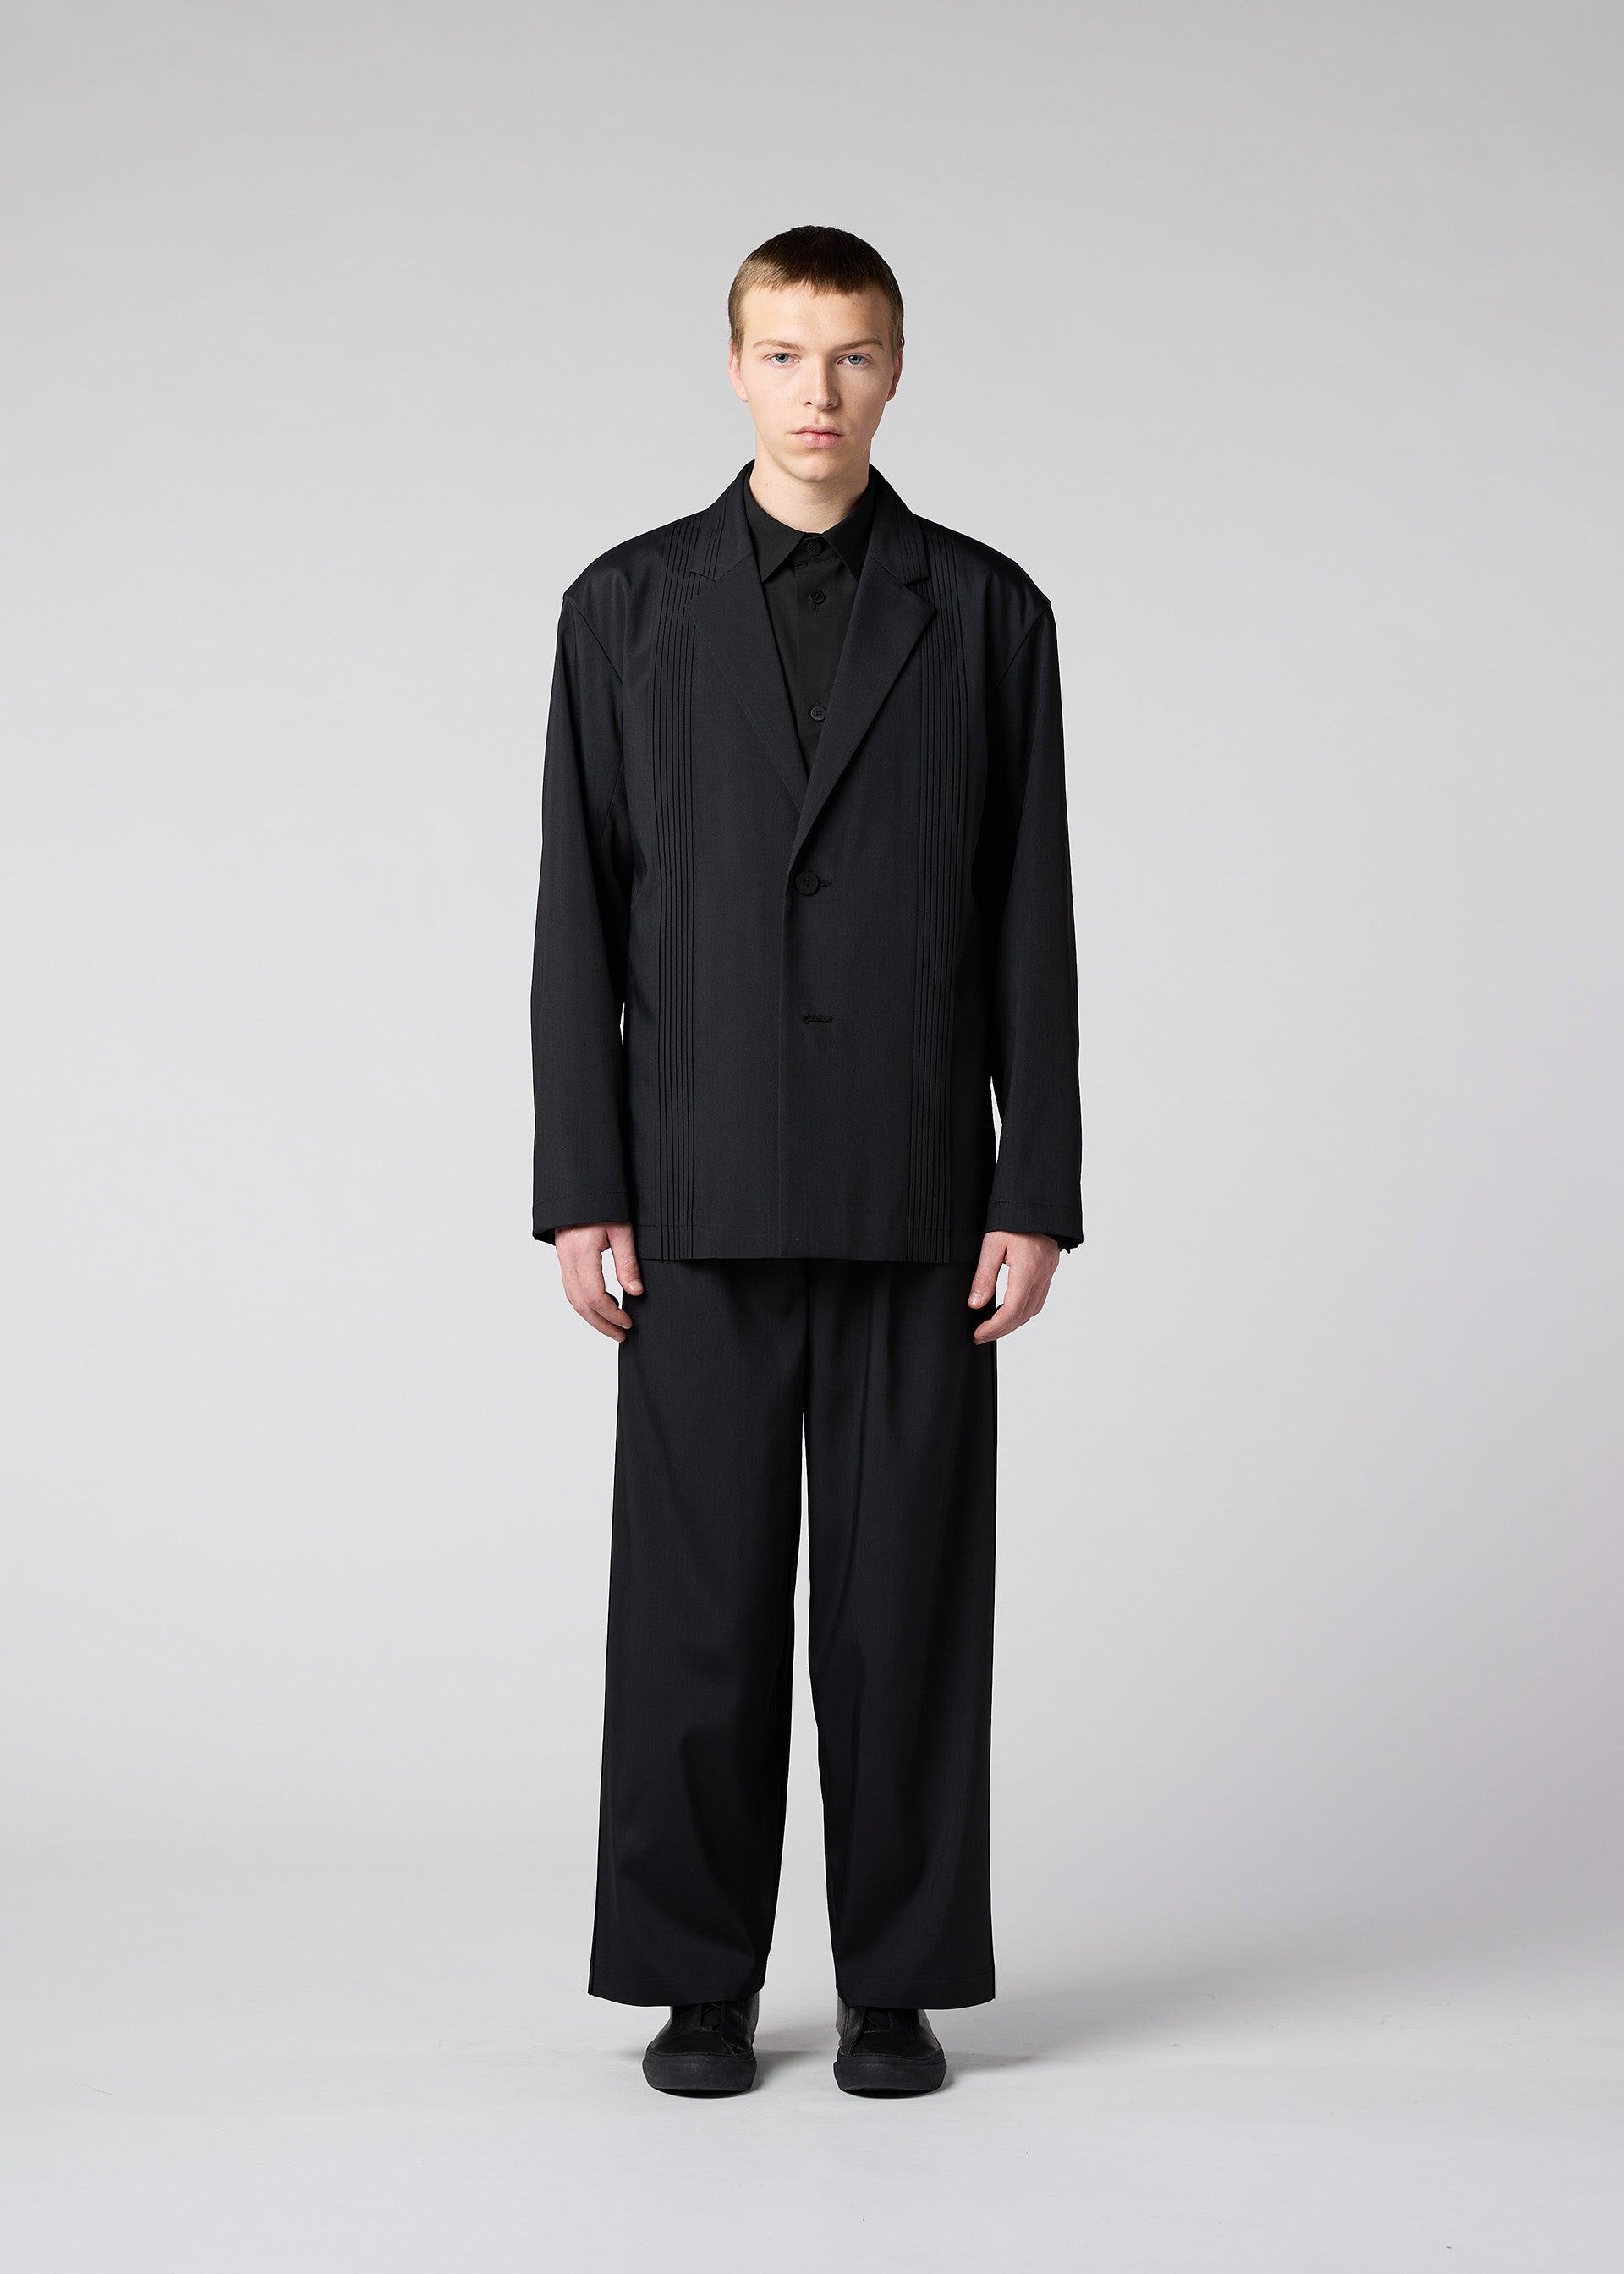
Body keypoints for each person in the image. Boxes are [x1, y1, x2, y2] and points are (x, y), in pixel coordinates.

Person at [530, 224, 1082, 2096]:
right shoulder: (624, 609)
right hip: (695, 1187)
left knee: (903, 1609)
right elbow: (579, 911)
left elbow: (1030, 913)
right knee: (695, 1617)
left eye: (851, 355)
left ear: (897, 369)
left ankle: (893, 1984)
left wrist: (1032, 1186)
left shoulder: (988, 613)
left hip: (921, 1191)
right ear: (736, 368)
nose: (818, 391)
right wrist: (583, 1180)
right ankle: (698, 1983)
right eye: (784, 353)